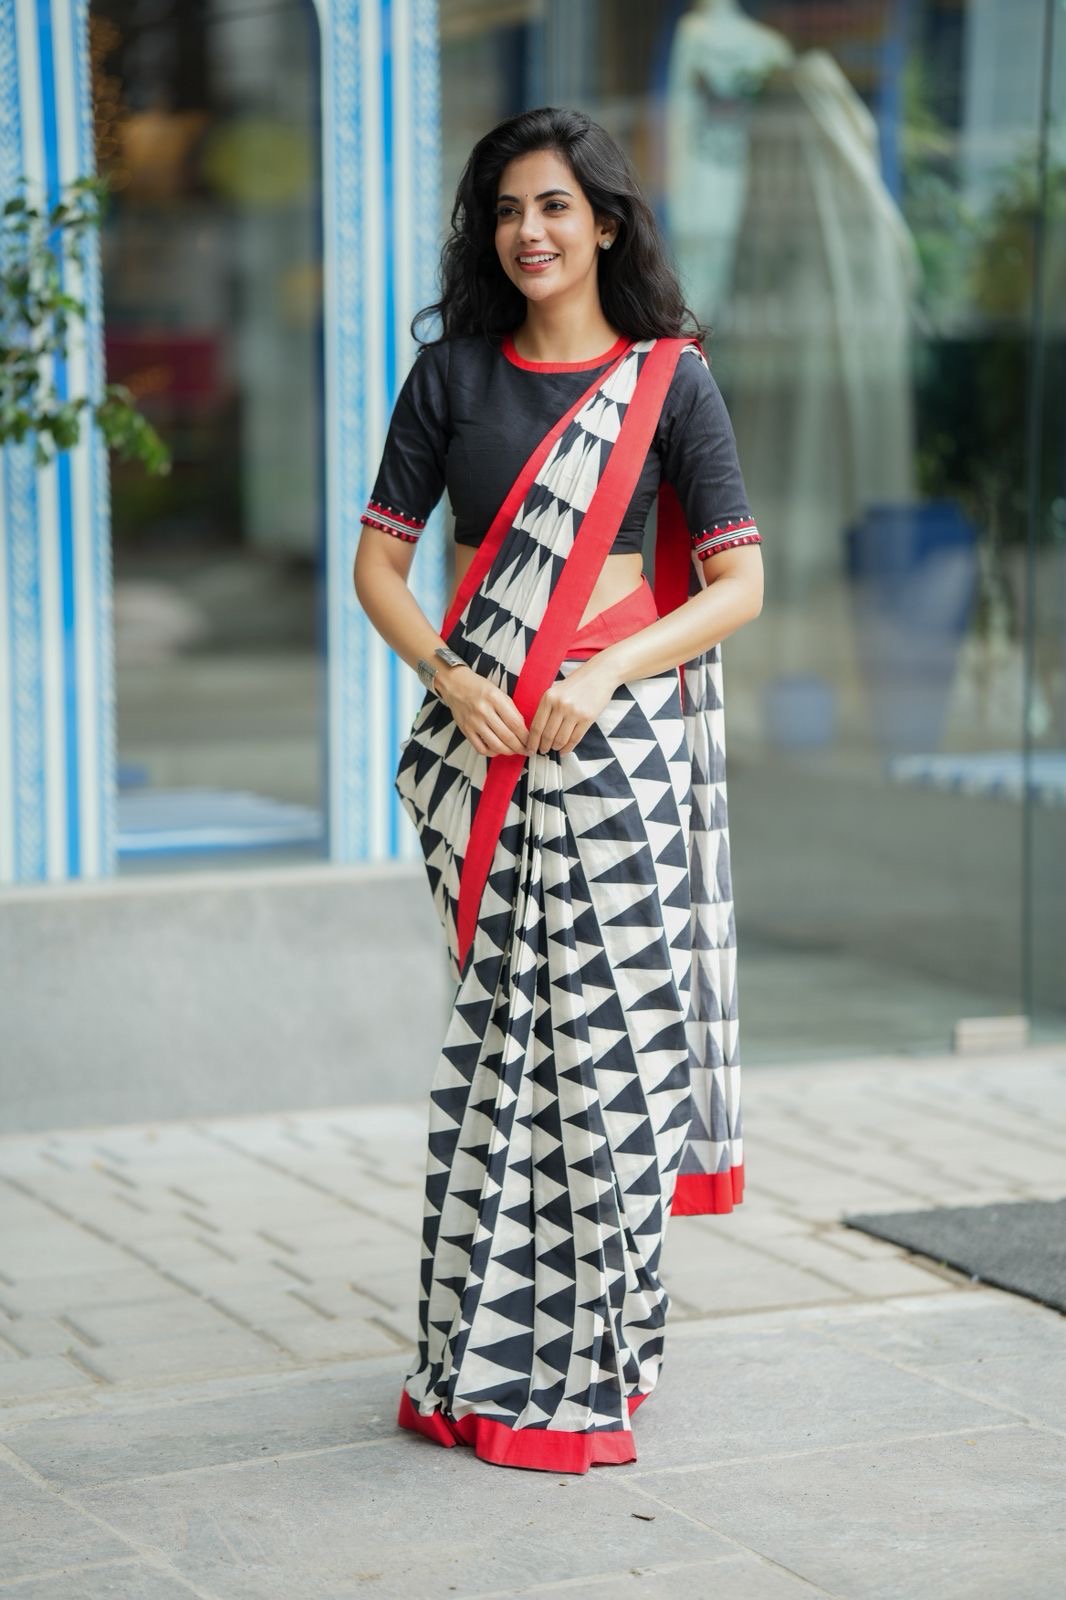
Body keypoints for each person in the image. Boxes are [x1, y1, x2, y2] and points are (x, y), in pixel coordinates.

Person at [353, 105, 763, 1475]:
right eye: (505, 210)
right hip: (483, 755)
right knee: (498, 1060)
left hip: (619, 751)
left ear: (604, 222)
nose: (527, 232)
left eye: (553, 206)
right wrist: (451, 675)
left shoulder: (668, 383)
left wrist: (610, 671)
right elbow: (377, 568)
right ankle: (478, 1359)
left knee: (608, 1063)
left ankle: (599, 1363)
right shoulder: (451, 379)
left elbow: (739, 585)